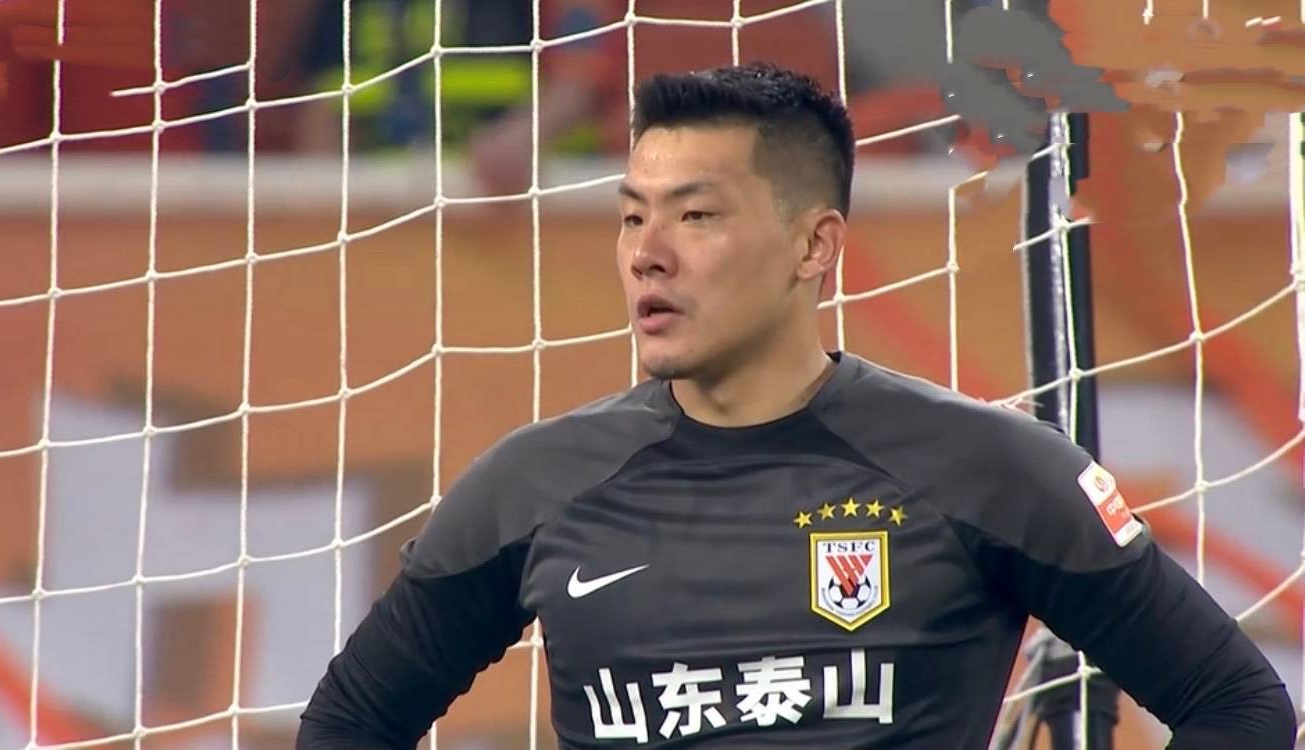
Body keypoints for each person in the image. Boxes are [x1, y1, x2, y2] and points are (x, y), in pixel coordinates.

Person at [296, 63, 1294, 749]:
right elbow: (348, 725)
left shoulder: (987, 466)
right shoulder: (535, 482)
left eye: (695, 215)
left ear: (815, 246)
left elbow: (1237, 707)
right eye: (632, 217)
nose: (647, 254)